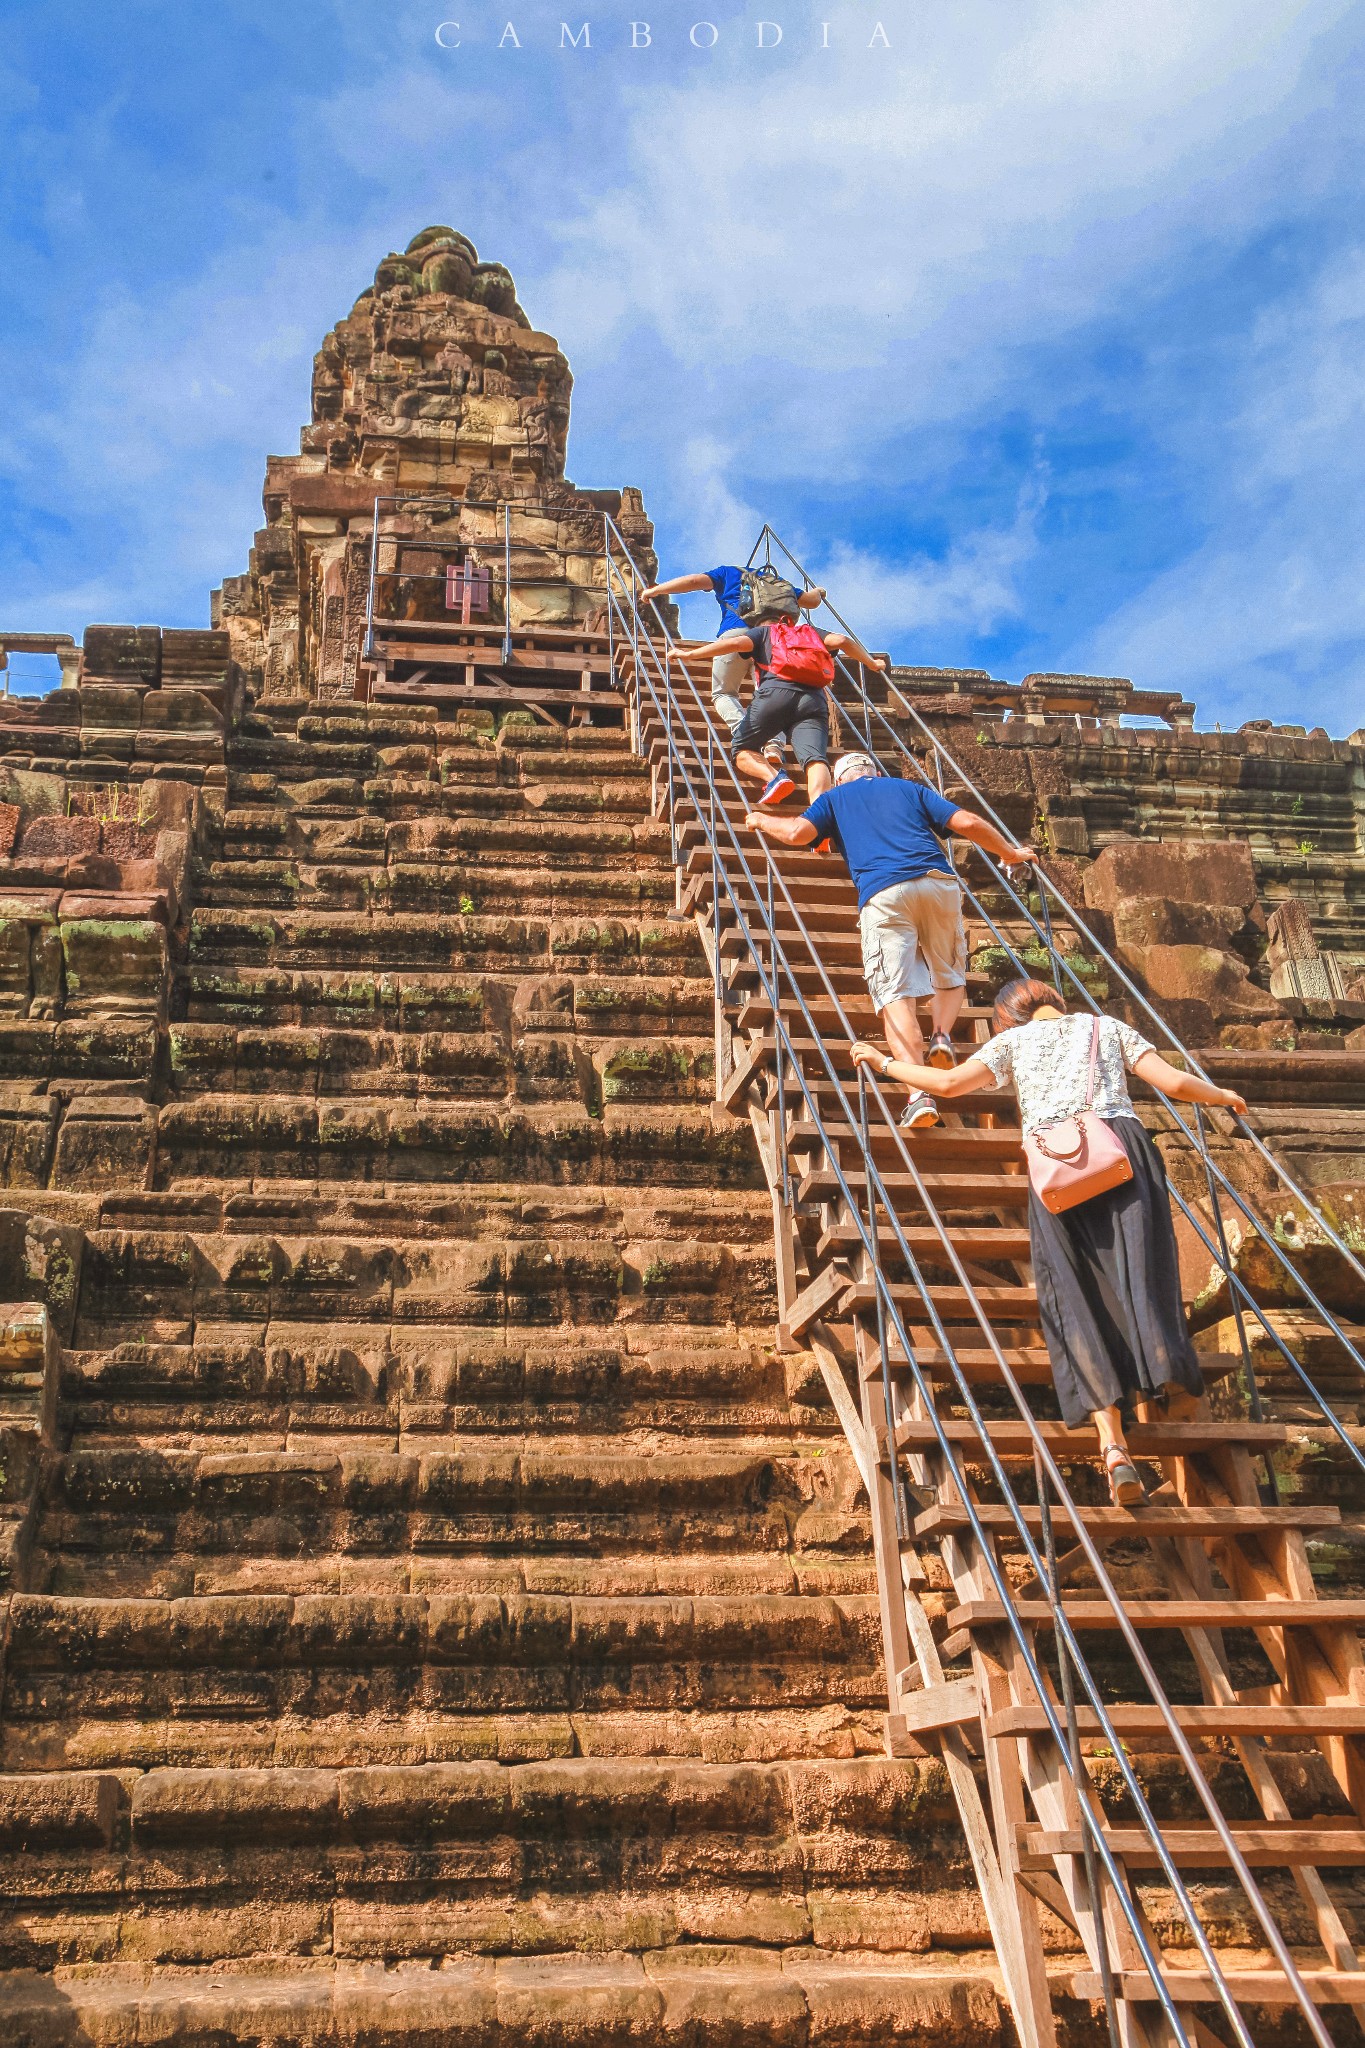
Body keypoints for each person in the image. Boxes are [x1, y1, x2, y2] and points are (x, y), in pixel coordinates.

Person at [850, 976, 1249, 1506]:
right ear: (1057, 1003)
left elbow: (945, 1088)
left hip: (1057, 1168)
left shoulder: (1010, 1043)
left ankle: (1113, 1448)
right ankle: (1163, 1372)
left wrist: (881, 1063)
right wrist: (1222, 1095)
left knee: (1074, 1292)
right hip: (1121, 1151)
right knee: (1140, 1269)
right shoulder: (1106, 1028)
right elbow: (1173, 1084)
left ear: (1006, 1019)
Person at [747, 751, 1036, 1129]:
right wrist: (1010, 853)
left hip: (883, 895)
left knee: (894, 993)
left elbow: (797, 834)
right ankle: (942, 1036)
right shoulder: (908, 788)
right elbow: (965, 820)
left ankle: (919, 1095)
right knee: (948, 969)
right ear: (876, 772)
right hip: (938, 883)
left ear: (838, 780)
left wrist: (760, 819)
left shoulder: (834, 799)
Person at [686, 614, 888, 815]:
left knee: (742, 749)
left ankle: (774, 777)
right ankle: (821, 818)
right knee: (815, 759)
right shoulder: (809, 632)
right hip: (814, 700)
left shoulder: (763, 632)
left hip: (775, 695)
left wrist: (691, 655)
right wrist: (871, 663)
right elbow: (842, 641)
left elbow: (736, 643)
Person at [638, 565, 825, 739]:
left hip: (736, 634)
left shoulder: (727, 572)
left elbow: (694, 581)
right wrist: (819, 591)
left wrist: (655, 590)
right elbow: (812, 601)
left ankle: (745, 733)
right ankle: (774, 745)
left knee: (724, 693)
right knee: (768, 692)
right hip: (773, 640)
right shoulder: (779, 583)